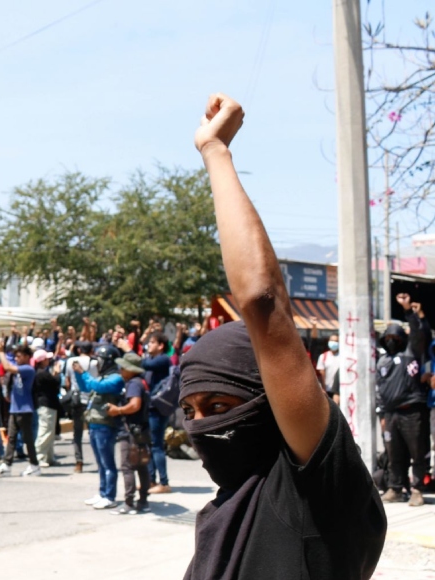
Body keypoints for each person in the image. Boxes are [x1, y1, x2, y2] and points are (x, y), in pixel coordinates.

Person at [181, 93, 385, 579]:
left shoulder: (315, 496)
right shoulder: (226, 511)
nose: (199, 427)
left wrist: (215, 152)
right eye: (191, 412)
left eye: (219, 407)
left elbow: (262, 303)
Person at [376, 321, 428, 507]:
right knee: (394, 453)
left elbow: (419, 336)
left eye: (395, 338)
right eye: (388, 338)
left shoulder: (410, 354)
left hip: (411, 411)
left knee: (418, 452)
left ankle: (417, 489)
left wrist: (410, 314)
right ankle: (395, 488)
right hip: (390, 414)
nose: (391, 341)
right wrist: (381, 415)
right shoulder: (382, 361)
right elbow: (379, 390)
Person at [75, 344, 125, 510]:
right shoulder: (103, 377)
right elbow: (86, 387)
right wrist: (79, 374)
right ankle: (103, 493)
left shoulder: (115, 378)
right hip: (95, 423)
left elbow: (97, 387)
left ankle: (110, 496)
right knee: (100, 463)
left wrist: (84, 373)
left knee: (108, 463)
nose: (98, 364)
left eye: (100, 360)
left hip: (105, 425)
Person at [0, 343, 41, 477]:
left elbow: (7, 366)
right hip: (15, 407)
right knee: (11, 437)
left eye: (19, 356)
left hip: (25, 409)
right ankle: (7, 464)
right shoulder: (19, 368)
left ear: (26, 357)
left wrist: (1, 352)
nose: (17, 359)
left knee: (28, 439)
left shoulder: (28, 369)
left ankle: (34, 464)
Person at [109, 353, 150, 515]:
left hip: (131, 431)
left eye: (123, 367)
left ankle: (129, 502)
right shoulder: (141, 382)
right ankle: (143, 501)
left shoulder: (133, 384)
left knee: (128, 466)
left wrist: (117, 410)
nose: (120, 370)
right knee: (141, 465)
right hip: (142, 430)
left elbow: (134, 405)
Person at [143, 333, 174, 494]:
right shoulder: (155, 360)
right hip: (152, 407)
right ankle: (151, 480)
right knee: (151, 444)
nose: (149, 344)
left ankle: (164, 482)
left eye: (152, 342)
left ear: (161, 345)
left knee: (156, 445)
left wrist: (128, 349)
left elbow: (145, 364)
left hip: (157, 408)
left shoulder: (162, 359)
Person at [65, 341, 95, 473]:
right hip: (91, 400)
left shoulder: (70, 361)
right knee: (94, 431)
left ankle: (79, 462)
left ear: (78, 350)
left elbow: (67, 382)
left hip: (76, 400)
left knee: (77, 433)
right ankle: (100, 459)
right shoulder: (94, 363)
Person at [31, 350, 61, 467]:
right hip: (46, 404)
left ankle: (49, 457)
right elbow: (55, 384)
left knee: (50, 432)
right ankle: (39, 456)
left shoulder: (39, 373)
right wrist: (57, 373)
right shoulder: (42, 373)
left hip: (45, 404)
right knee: (45, 431)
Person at [316, 334, 340, 403]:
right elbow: (321, 373)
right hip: (327, 389)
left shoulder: (343, 356)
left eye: (336, 341)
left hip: (339, 390)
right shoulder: (323, 356)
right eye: (332, 340)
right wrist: (323, 389)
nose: (334, 343)